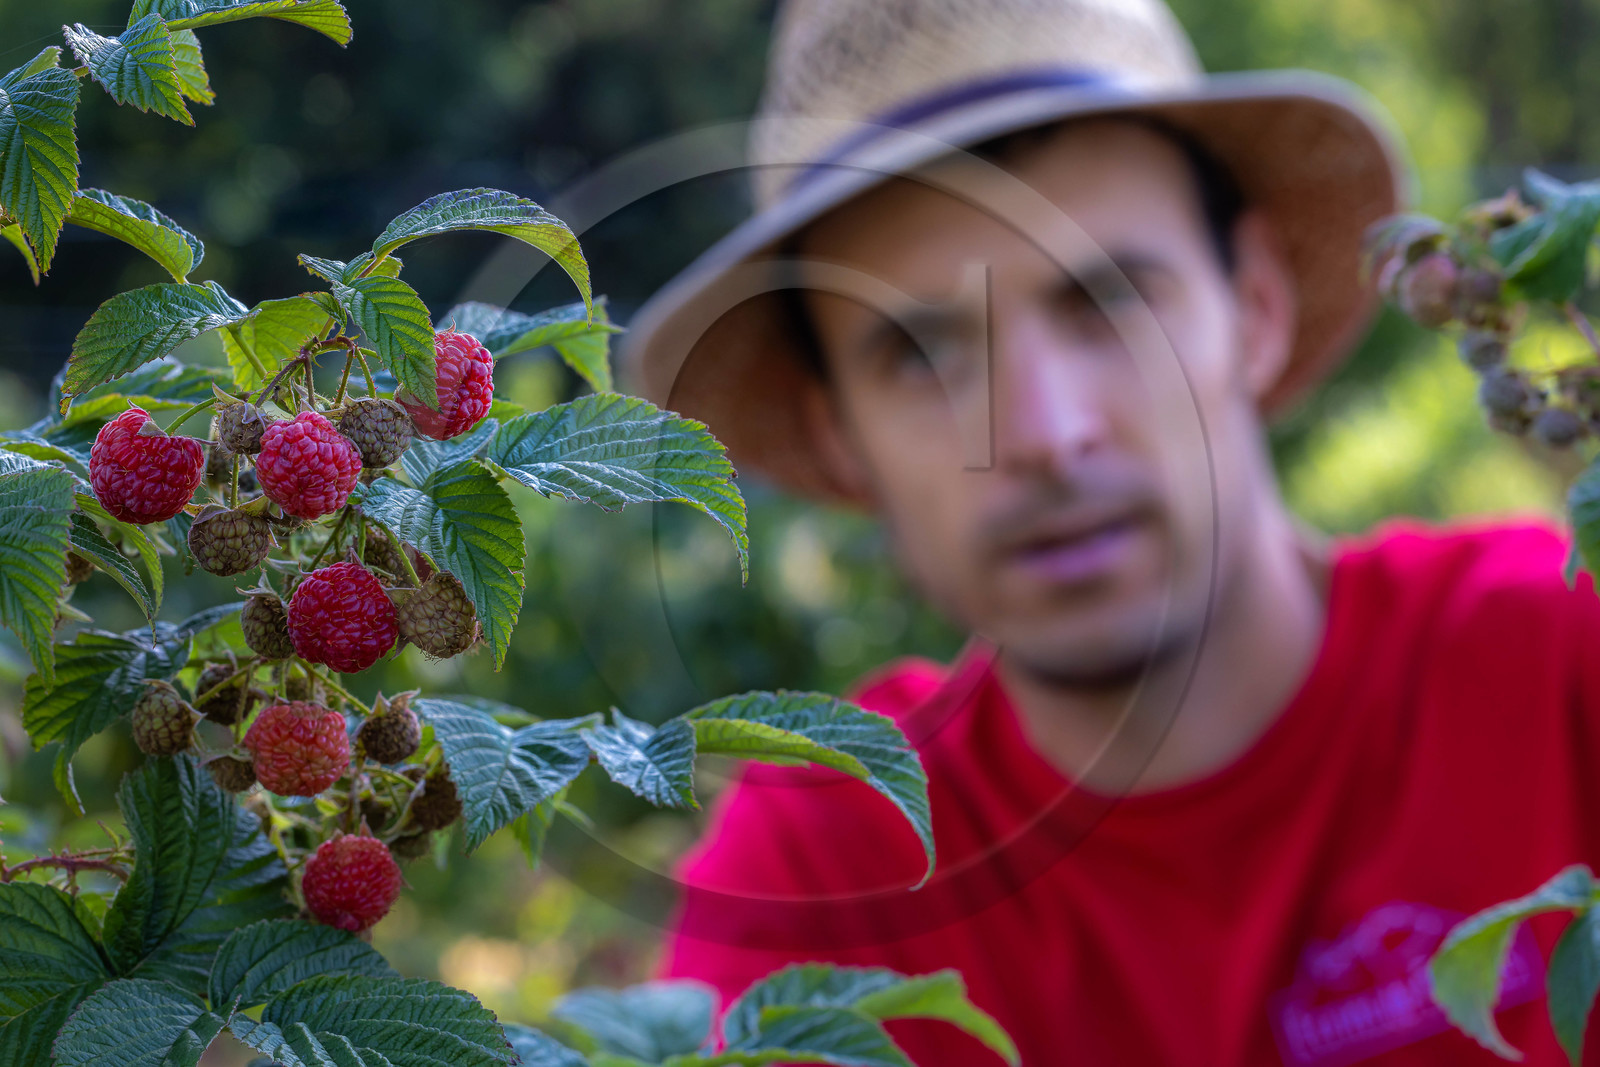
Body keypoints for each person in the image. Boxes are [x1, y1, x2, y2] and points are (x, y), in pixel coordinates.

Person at [622, 0, 1600, 1063]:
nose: (1043, 431)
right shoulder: (824, 869)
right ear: (840, 434)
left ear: (1255, 308)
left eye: (1110, 299)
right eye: (922, 353)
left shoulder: (1560, 657)